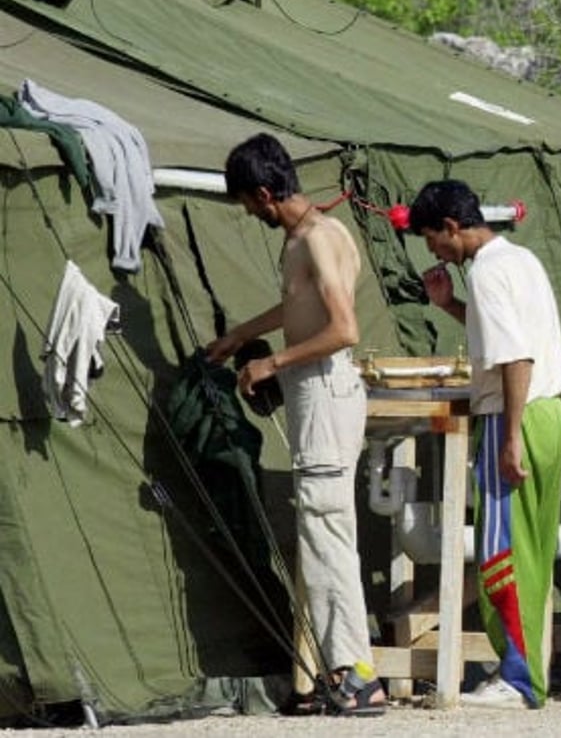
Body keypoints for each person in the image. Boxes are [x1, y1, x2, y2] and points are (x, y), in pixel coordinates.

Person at [206, 133, 385, 715]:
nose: (250, 214)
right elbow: (300, 306)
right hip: (318, 394)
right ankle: (342, 671)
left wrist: (272, 361)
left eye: (248, 204)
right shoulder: (307, 239)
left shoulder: (317, 239)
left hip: (326, 392)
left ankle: (357, 674)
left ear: (264, 192)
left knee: (328, 534)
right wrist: (240, 335)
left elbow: (343, 328)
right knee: (320, 534)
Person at [412, 179, 561, 709]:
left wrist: (508, 438)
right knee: (535, 550)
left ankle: (519, 676)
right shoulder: (519, 258)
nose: (435, 250)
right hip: (549, 414)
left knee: (501, 551)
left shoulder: (485, 272)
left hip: (516, 414)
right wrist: (448, 305)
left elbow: (515, 358)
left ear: (453, 228)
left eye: (435, 240)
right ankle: (525, 672)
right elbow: (507, 336)